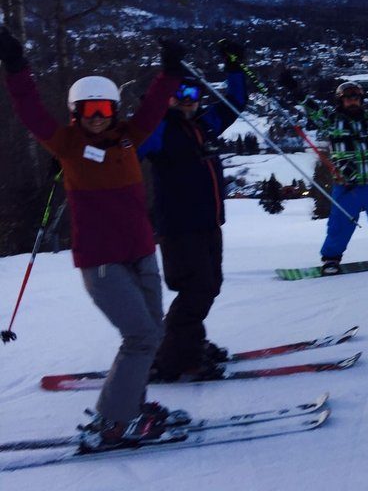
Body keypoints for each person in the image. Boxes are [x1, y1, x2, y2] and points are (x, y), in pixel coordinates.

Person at [0, 26, 186, 449]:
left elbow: (155, 107)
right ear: (76, 113)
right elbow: (29, 109)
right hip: (102, 263)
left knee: (150, 336)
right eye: (89, 110)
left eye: (104, 108)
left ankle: (130, 408)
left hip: (141, 253)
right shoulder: (65, 144)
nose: (97, 116)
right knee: (141, 337)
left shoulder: (127, 138)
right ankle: (113, 422)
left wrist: (169, 72)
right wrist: (15, 64)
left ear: (114, 109)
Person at [138, 40, 247, 382]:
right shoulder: (159, 128)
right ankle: (170, 359)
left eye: (193, 95)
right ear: (169, 97)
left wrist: (233, 66)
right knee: (196, 289)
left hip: (209, 222)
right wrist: (165, 78)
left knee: (209, 285)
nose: (187, 101)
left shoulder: (205, 124)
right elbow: (133, 145)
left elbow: (237, 102)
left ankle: (188, 344)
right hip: (179, 227)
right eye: (180, 94)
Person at [304, 76, 368, 274]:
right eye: (348, 98)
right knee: (340, 223)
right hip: (346, 184)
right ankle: (331, 259)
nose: (353, 101)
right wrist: (296, 91)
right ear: (341, 101)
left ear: (361, 100)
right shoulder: (333, 120)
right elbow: (313, 110)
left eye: (356, 98)